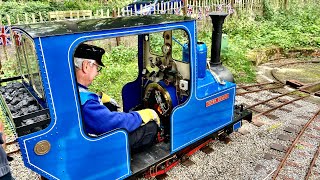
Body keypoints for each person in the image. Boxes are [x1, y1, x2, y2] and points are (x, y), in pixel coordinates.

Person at [74, 43, 159, 153]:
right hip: (97, 148)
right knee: (151, 127)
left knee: (111, 105)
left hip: (85, 134)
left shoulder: (71, 88)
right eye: (97, 68)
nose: (97, 73)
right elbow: (113, 123)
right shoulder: (87, 104)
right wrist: (140, 115)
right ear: (86, 66)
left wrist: (98, 97)